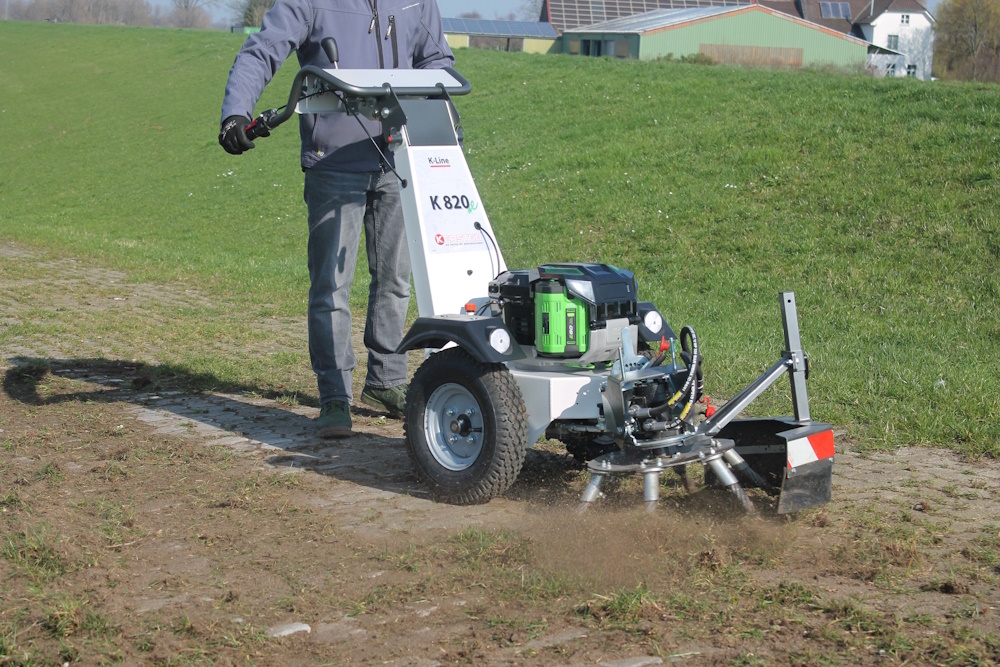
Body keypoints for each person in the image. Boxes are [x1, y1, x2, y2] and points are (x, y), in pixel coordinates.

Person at [218, 0, 455, 438]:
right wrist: (237, 109)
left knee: (395, 278)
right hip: (333, 158)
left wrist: (438, 106)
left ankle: (386, 380)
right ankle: (334, 395)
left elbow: (436, 58)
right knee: (331, 284)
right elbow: (263, 49)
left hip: (398, 155)